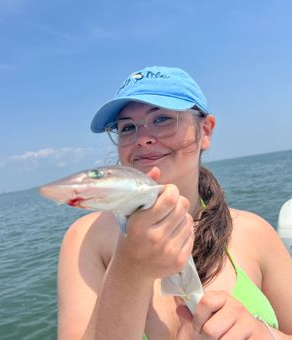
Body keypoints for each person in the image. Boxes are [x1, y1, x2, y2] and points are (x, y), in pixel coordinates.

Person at [57, 66, 292, 339]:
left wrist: (265, 334)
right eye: (127, 127)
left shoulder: (255, 233)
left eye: (162, 119)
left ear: (205, 131)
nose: (142, 138)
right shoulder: (86, 238)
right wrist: (129, 267)